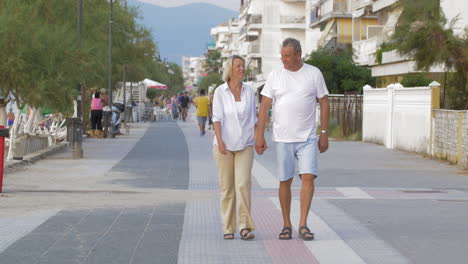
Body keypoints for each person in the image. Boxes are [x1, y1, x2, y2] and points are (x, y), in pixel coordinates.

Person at [255, 38, 329, 241]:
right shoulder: (275, 75)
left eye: (287, 56)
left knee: (308, 177)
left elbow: (324, 101)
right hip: (282, 138)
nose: (283, 59)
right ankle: (286, 224)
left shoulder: (313, 73)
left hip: (308, 137)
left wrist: (324, 133)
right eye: (282, 55)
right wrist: (259, 134)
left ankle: (303, 223)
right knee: (284, 180)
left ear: (298, 55)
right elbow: (264, 106)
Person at [212, 55, 257, 240]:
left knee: (243, 184)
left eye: (243, 66)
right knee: (227, 188)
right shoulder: (220, 92)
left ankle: (245, 226)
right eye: (238, 66)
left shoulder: (250, 92)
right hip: (224, 146)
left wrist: (259, 138)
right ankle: (228, 228)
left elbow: (254, 119)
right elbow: (216, 118)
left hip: (245, 144)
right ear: (230, 69)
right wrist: (220, 140)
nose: (242, 69)